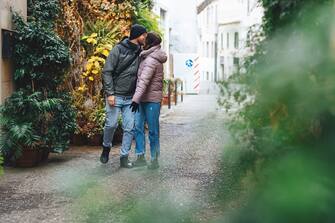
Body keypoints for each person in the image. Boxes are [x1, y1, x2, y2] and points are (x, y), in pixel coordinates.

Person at [100, 24, 147, 168]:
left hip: (130, 98)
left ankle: (124, 157)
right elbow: (107, 71)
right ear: (136, 35)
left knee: (129, 128)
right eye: (143, 35)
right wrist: (110, 93)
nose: (145, 37)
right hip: (116, 96)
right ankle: (106, 147)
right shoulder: (118, 49)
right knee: (111, 124)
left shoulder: (141, 52)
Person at [130, 32, 167, 169]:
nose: (143, 41)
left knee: (152, 130)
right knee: (138, 127)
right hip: (142, 99)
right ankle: (140, 157)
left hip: (151, 100)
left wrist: (135, 100)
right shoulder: (146, 56)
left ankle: (154, 159)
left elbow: (144, 81)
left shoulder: (151, 59)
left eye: (146, 39)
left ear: (150, 42)